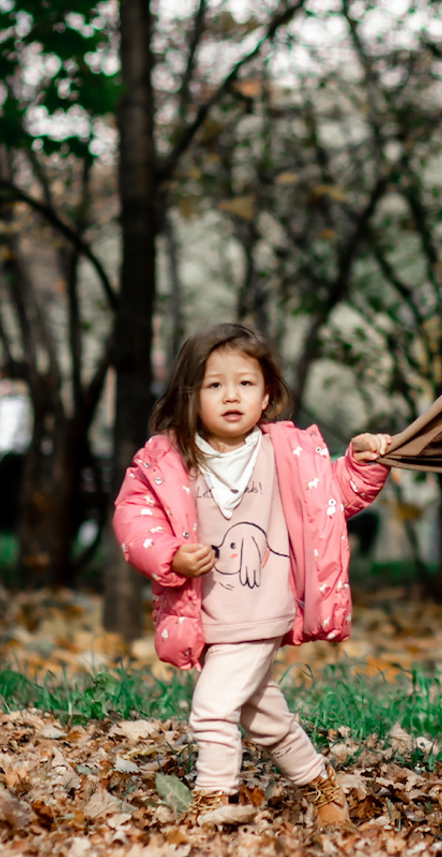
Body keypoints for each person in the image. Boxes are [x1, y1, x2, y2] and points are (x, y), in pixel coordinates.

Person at [112, 323, 392, 826]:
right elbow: (135, 516)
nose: (231, 396)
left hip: (263, 604)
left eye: (245, 383)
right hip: (208, 610)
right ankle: (319, 784)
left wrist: (361, 464)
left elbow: (331, 496)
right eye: (214, 385)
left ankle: (216, 796)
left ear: (267, 396)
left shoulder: (287, 452)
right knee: (259, 714)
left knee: (213, 706)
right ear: (189, 397)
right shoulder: (168, 458)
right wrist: (171, 555)